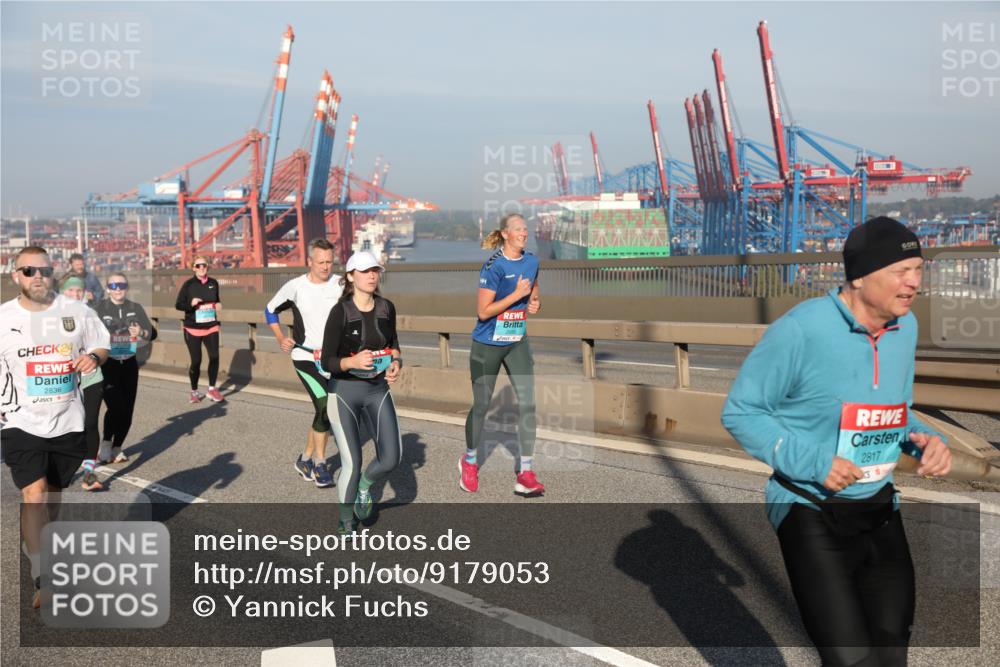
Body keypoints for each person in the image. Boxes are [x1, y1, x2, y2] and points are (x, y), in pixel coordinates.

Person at [721, 217, 952, 666]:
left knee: (890, 656)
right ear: (861, 275)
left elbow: (896, 413)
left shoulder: (906, 330)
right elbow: (742, 411)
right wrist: (814, 462)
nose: (914, 283)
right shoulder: (803, 329)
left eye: (919, 270)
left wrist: (928, 440)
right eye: (901, 271)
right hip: (809, 507)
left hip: (879, 507)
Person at [1, 246, 109, 607]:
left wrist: (93, 357)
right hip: (19, 421)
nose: (37, 277)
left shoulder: (76, 311)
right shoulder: (3, 319)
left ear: (53, 274)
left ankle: (42, 540)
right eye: (28, 271)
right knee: (33, 494)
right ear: (16, 275)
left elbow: (101, 343)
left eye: (44, 271)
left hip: (67, 420)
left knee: (52, 497)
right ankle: (41, 576)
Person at [461, 213, 543, 496]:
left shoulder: (532, 261)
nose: (524, 233)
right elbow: (483, 312)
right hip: (487, 345)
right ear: (506, 234)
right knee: (482, 406)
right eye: (518, 229)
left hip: (517, 341)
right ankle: (469, 461)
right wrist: (513, 296)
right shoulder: (493, 266)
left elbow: (533, 288)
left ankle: (526, 472)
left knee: (528, 404)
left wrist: (534, 301)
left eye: (525, 229)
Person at [321, 251, 402, 534]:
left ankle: (366, 488)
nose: (371, 275)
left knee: (391, 457)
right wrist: (352, 362)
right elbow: (326, 361)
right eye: (365, 271)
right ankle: (346, 520)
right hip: (344, 392)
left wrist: (395, 363)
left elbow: (394, 346)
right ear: (350, 276)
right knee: (352, 462)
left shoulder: (386, 308)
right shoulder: (340, 312)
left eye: (375, 270)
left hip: (377, 390)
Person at [265, 238, 342, 488]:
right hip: (305, 356)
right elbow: (270, 310)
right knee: (323, 406)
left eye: (329, 262)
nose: (325, 266)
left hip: (332, 358)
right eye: (320, 262)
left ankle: (305, 459)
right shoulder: (295, 287)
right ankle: (321, 463)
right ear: (309, 261)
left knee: (325, 410)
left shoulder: (341, 284)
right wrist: (280, 337)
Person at [95, 272, 155, 465]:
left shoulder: (135, 308)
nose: (117, 289)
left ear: (126, 287)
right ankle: (105, 443)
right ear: (107, 289)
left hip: (129, 363)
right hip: (108, 364)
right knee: (116, 406)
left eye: (121, 285)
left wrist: (141, 332)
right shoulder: (99, 308)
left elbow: (152, 333)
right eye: (113, 286)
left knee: (127, 410)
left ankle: (117, 447)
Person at [59, 276, 105, 491]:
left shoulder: (92, 315)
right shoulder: (52, 316)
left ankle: (88, 473)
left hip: (91, 375)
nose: (76, 294)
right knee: (68, 425)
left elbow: (104, 343)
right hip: (64, 379)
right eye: (71, 290)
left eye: (79, 290)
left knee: (90, 423)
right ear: (63, 292)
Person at [174, 255, 224, 403]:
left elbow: (216, 301)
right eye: (198, 266)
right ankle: (194, 391)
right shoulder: (188, 285)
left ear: (207, 267)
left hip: (211, 326)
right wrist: (191, 303)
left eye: (204, 265)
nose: (202, 268)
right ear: (193, 268)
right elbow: (178, 305)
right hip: (192, 328)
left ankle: (211, 390)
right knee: (196, 361)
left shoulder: (214, 283)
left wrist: (219, 305)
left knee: (214, 357)